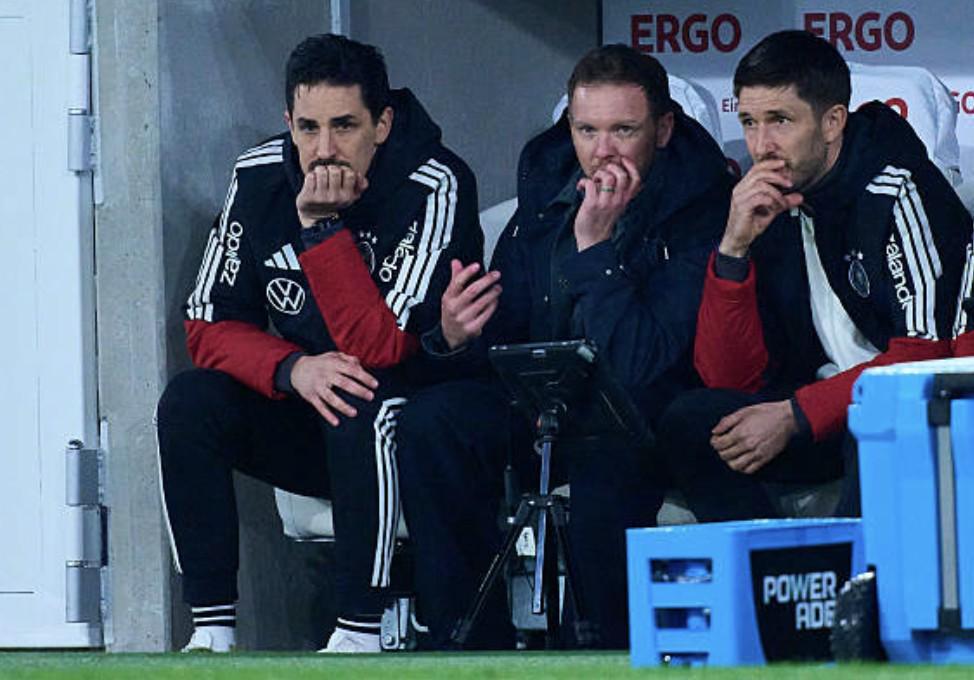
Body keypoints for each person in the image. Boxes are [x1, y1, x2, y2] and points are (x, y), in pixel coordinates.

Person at [395, 44, 732, 649]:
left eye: (623, 130)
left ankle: (603, 652)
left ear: (662, 130)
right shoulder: (549, 192)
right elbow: (507, 332)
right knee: (433, 422)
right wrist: (454, 334)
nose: (602, 151)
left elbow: (645, 363)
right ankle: (464, 647)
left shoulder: (702, 209)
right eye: (587, 130)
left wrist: (595, 250)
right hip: (543, 402)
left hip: (641, 413)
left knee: (605, 454)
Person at [155, 33, 481, 653]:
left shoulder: (436, 183)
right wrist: (292, 369)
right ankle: (212, 630)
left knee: (359, 395)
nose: (324, 150)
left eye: (344, 126)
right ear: (288, 121)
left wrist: (320, 228)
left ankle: (359, 629)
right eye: (307, 128)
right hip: (315, 404)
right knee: (190, 402)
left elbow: (384, 347)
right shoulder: (257, 175)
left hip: (411, 425)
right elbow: (206, 324)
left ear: (382, 124)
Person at [657, 30, 972, 522]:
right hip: (820, 406)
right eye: (749, 122)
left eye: (780, 121)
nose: (761, 146)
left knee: (876, 425)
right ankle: (770, 565)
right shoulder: (764, 198)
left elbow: (926, 357)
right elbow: (731, 379)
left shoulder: (898, 189)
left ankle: (853, 574)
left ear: (832, 122)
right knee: (692, 421)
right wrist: (734, 250)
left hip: (903, 407)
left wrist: (798, 415)